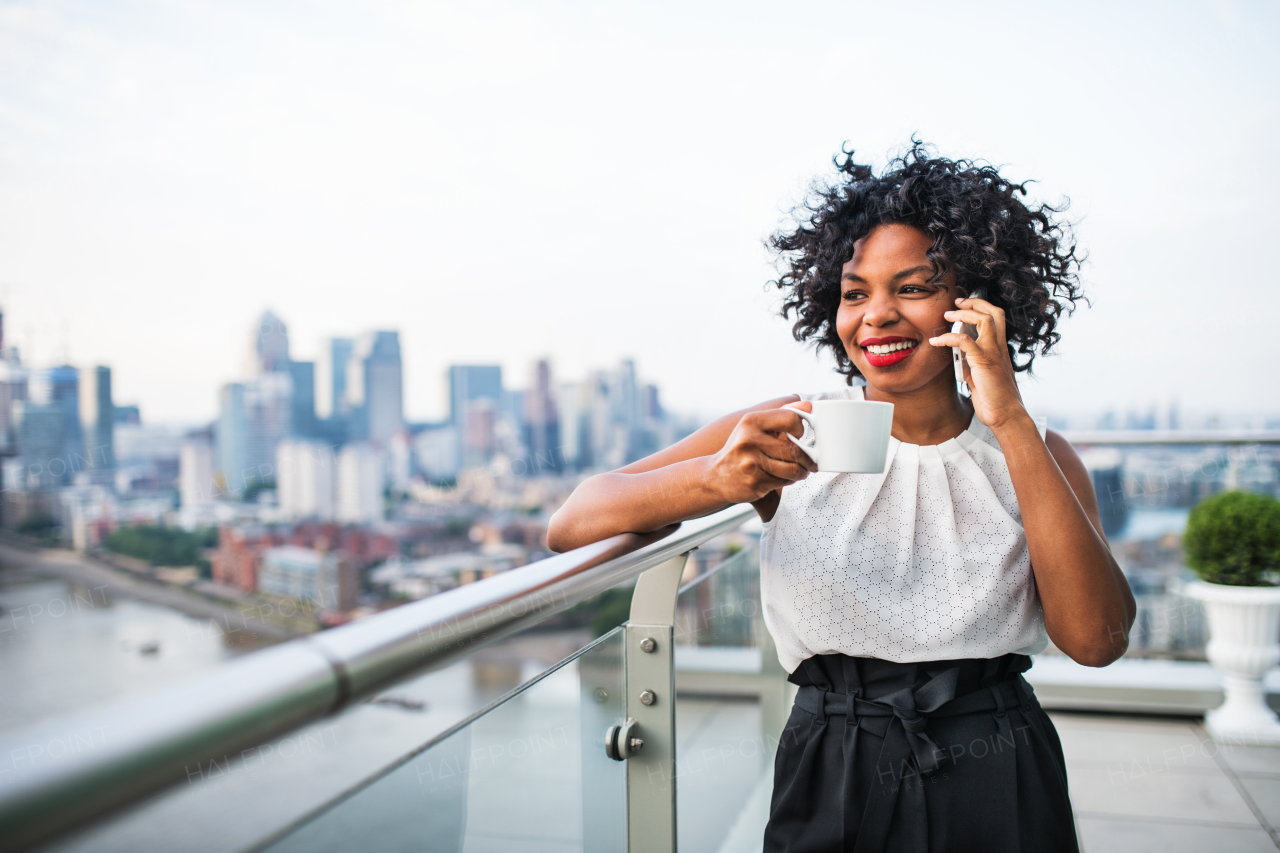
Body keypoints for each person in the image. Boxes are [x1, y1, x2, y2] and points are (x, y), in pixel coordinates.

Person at [547, 143, 1135, 852]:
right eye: (855, 292)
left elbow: (1096, 640)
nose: (876, 316)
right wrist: (719, 482)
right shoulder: (797, 427)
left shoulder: (1031, 449)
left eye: (913, 287)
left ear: (977, 302)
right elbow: (574, 520)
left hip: (998, 762)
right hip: (832, 762)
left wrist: (1006, 416)